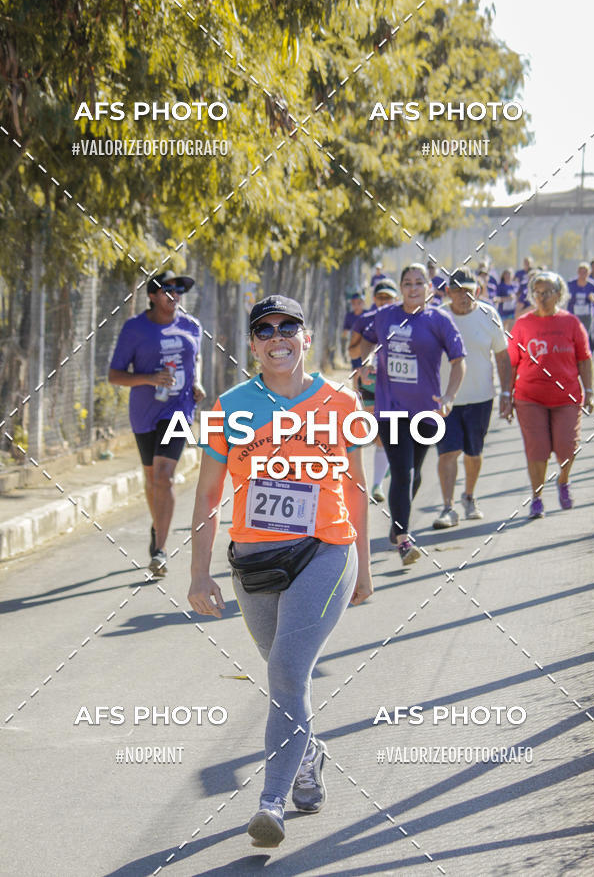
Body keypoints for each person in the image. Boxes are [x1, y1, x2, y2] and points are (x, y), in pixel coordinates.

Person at [187, 295, 372, 848]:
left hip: (325, 552)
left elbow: (356, 488)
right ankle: (308, 754)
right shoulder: (231, 406)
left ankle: (270, 804)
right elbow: (207, 495)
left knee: (288, 672)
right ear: (252, 345)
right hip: (255, 563)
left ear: (306, 337)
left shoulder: (341, 402)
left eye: (288, 326)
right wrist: (198, 574)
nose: (277, 337)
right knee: (286, 682)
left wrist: (365, 567)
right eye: (264, 330)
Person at [359, 263, 466, 564]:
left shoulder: (439, 320)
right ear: (401, 288)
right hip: (390, 408)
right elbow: (366, 339)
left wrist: (449, 396)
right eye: (407, 283)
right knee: (402, 472)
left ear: (429, 288)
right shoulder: (385, 316)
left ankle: (397, 525)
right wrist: (367, 362)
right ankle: (404, 541)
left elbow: (459, 361)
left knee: (414, 473)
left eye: (419, 283)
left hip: (426, 410)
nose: (413, 288)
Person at [109, 271, 205, 575]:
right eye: (167, 289)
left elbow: (196, 358)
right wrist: (150, 378)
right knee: (152, 478)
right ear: (152, 295)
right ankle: (158, 526)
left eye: (179, 290)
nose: (174, 294)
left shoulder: (191, 326)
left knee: (165, 477)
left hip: (179, 409)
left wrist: (197, 382)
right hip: (144, 412)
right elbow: (115, 375)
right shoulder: (135, 328)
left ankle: (160, 550)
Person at [507, 271, 594, 518]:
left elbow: (584, 359)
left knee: (567, 447)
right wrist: (506, 395)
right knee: (537, 449)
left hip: (566, 397)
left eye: (547, 293)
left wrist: (589, 391)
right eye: (537, 293)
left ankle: (563, 480)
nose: (541, 297)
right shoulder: (523, 324)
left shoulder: (571, 323)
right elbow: (512, 363)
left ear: (559, 294)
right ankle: (537, 497)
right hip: (530, 397)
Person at [433, 269, 512, 527]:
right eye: (457, 290)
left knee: (473, 453)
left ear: (477, 290)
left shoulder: (489, 315)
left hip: (481, 397)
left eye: (469, 290)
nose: (463, 296)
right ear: (448, 292)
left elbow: (502, 356)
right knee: (448, 452)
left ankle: (468, 496)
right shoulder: (438, 316)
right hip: (445, 399)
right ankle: (448, 508)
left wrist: (507, 393)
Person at [348, 278, 399, 501]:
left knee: (386, 431)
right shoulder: (365, 320)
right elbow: (352, 352)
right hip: (369, 381)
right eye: (380, 297)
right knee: (374, 430)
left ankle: (377, 485)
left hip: (395, 382)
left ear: (396, 298)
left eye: (388, 297)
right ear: (374, 299)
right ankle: (383, 465)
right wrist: (366, 348)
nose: (384, 301)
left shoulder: (403, 320)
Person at [567, 261, 594, 341]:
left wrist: (593, 299)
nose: (582, 274)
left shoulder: (591, 286)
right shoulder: (571, 284)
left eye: (585, 272)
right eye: (581, 272)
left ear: (589, 273)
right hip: (573, 315)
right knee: (573, 335)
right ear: (578, 272)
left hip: (586, 316)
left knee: (584, 336)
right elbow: (564, 296)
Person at [493, 267, 518, 332]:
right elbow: (495, 299)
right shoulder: (500, 286)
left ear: (513, 276)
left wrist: (515, 297)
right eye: (506, 274)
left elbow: (518, 297)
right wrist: (507, 298)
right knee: (502, 332)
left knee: (511, 333)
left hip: (512, 313)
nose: (508, 276)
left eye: (509, 274)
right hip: (503, 313)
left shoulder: (515, 286)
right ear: (503, 275)